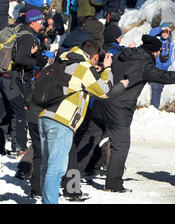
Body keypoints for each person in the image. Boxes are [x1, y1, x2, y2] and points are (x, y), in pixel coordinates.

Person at [82, 35, 175, 193]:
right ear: (154, 52)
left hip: (101, 102)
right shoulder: (144, 66)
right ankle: (113, 184)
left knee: (88, 140)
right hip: (119, 111)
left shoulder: (122, 55)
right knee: (121, 146)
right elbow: (166, 77)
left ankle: (71, 175)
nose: (159, 54)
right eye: (159, 51)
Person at [38, 40, 128, 204]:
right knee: (56, 169)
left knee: (47, 166)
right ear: (94, 57)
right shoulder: (83, 67)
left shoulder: (64, 61)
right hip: (62, 120)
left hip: (45, 116)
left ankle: (46, 200)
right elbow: (104, 91)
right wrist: (107, 68)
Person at [0, 9, 48, 156]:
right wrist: (37, 61)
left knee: (4, 112)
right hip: (11, 78)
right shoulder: (27, 36)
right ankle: (21, 147)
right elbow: (20, 59)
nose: (42, 25)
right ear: (32, 22)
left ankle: (2, 146)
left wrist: (31, 54)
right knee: (21, 111)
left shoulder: (20, 29)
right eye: (40, 22)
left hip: (5, 75)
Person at [149, 22, 175, 109]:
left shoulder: (173, 43)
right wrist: (160, 28)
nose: (165, 33)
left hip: (166, 70)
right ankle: (154, 109)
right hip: (155, 70)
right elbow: (150, 34)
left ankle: (155, 108)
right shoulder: (156, 41)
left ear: (170, 32)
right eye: (163, 31)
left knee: (159, 88)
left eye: (167, 31)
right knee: (155, 88)